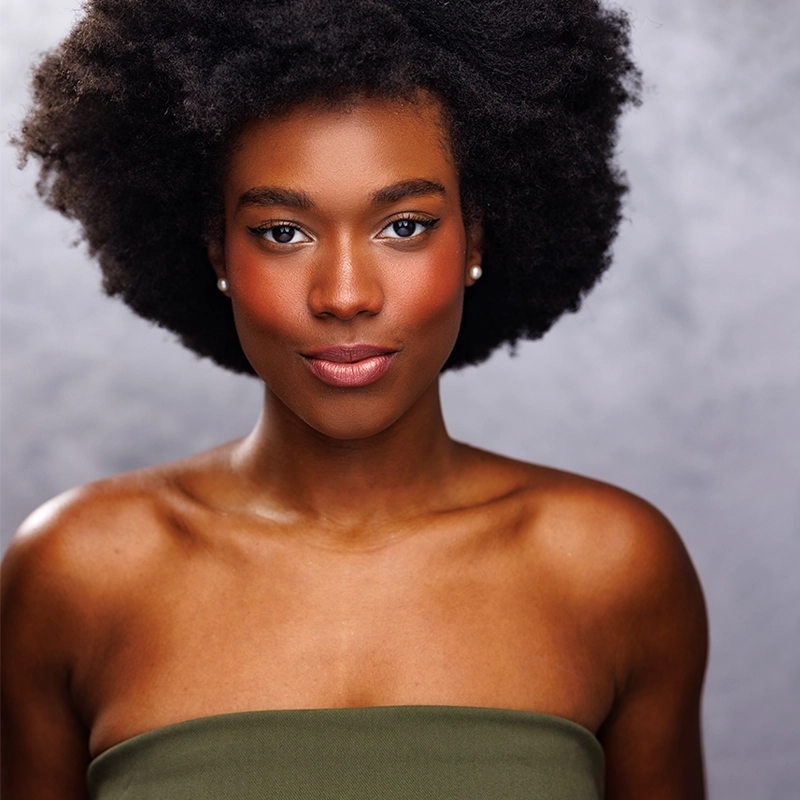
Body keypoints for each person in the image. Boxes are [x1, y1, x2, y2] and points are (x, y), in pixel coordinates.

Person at [1, 0, 708, 797]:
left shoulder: (612, 568)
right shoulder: (78, 571)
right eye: (282, 232)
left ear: (475, 238)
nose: (344, 295)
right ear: (216, 251)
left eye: (404, 225)